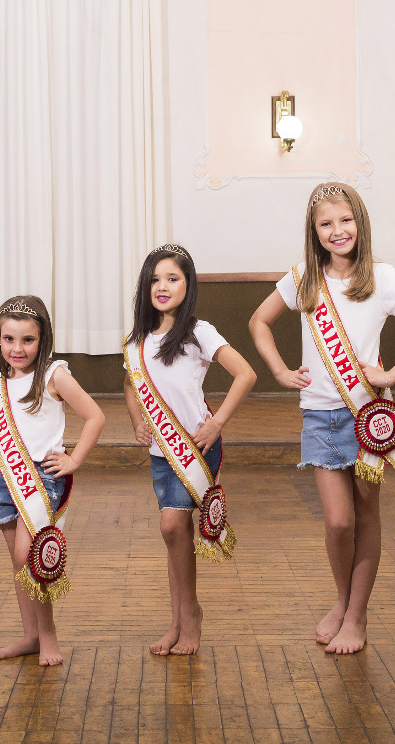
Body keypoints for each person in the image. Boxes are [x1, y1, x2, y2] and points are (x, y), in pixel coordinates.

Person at [249, 181, 395, 654]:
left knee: (366, 515)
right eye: (326, 224)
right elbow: (259, 322)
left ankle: (357, 615)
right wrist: (278, 369)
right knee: (338, 523)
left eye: (345, 220)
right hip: (319, 415)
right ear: (314, 231)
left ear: (360, 222)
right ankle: (342, 601)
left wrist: (392, 372)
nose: (338, 231)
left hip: (368, 417)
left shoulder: (382, 278)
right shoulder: (303, 279)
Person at [122, 244, 256, 656]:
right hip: (162, 452)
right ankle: (179, 619)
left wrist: (217, 423)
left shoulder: (199, 331)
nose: (162, 286)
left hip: (196, 448)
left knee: (170, 526)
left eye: (172, 278)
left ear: (188, 284)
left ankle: (191, 615)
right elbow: (130, 385)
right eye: (155, 279)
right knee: (174, 534)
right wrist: (137, 421)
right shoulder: (138, 340)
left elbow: (245, 374)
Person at [0, 295, 105, 666]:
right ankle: (31, 636)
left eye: (27, 340)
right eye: (8, 339)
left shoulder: (54, 375)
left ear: (43, 340)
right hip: (6, 476)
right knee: (18, 562)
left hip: (41, 475)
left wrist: (74, 459)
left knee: (29, 554)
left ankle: (49, 634)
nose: (17, 348)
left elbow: (95, 416)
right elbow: (0, 425)